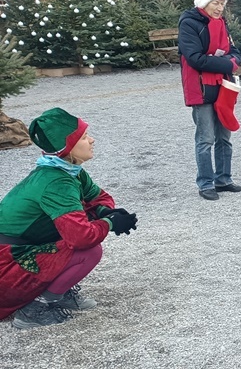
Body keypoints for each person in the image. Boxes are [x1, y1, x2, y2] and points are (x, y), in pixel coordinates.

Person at [0, 108, 138, 329]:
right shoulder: (57, 182)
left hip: (21, 249)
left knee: (78, 233)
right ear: (68, 147)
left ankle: (56, 293)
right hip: (6, 264)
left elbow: (100, 197)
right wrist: (110, 222)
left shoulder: (70, 171)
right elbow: (81, 237)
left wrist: (103, 212)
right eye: (83, 137)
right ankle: (34, 310)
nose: (91, 140)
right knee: (89, 251)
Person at [179, 0, 241, 201]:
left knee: (224, 136)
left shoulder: (222, 23)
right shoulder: (189, 23)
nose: (219, 8)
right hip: (200, 88)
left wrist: (230, 61)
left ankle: (223, 179)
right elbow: (195, 58)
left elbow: (235, 52)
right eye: (216, 3)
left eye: (222, 4)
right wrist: (228, 63)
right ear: (204, 2)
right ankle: (206, 183)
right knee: (206, 139)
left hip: (223, 86)